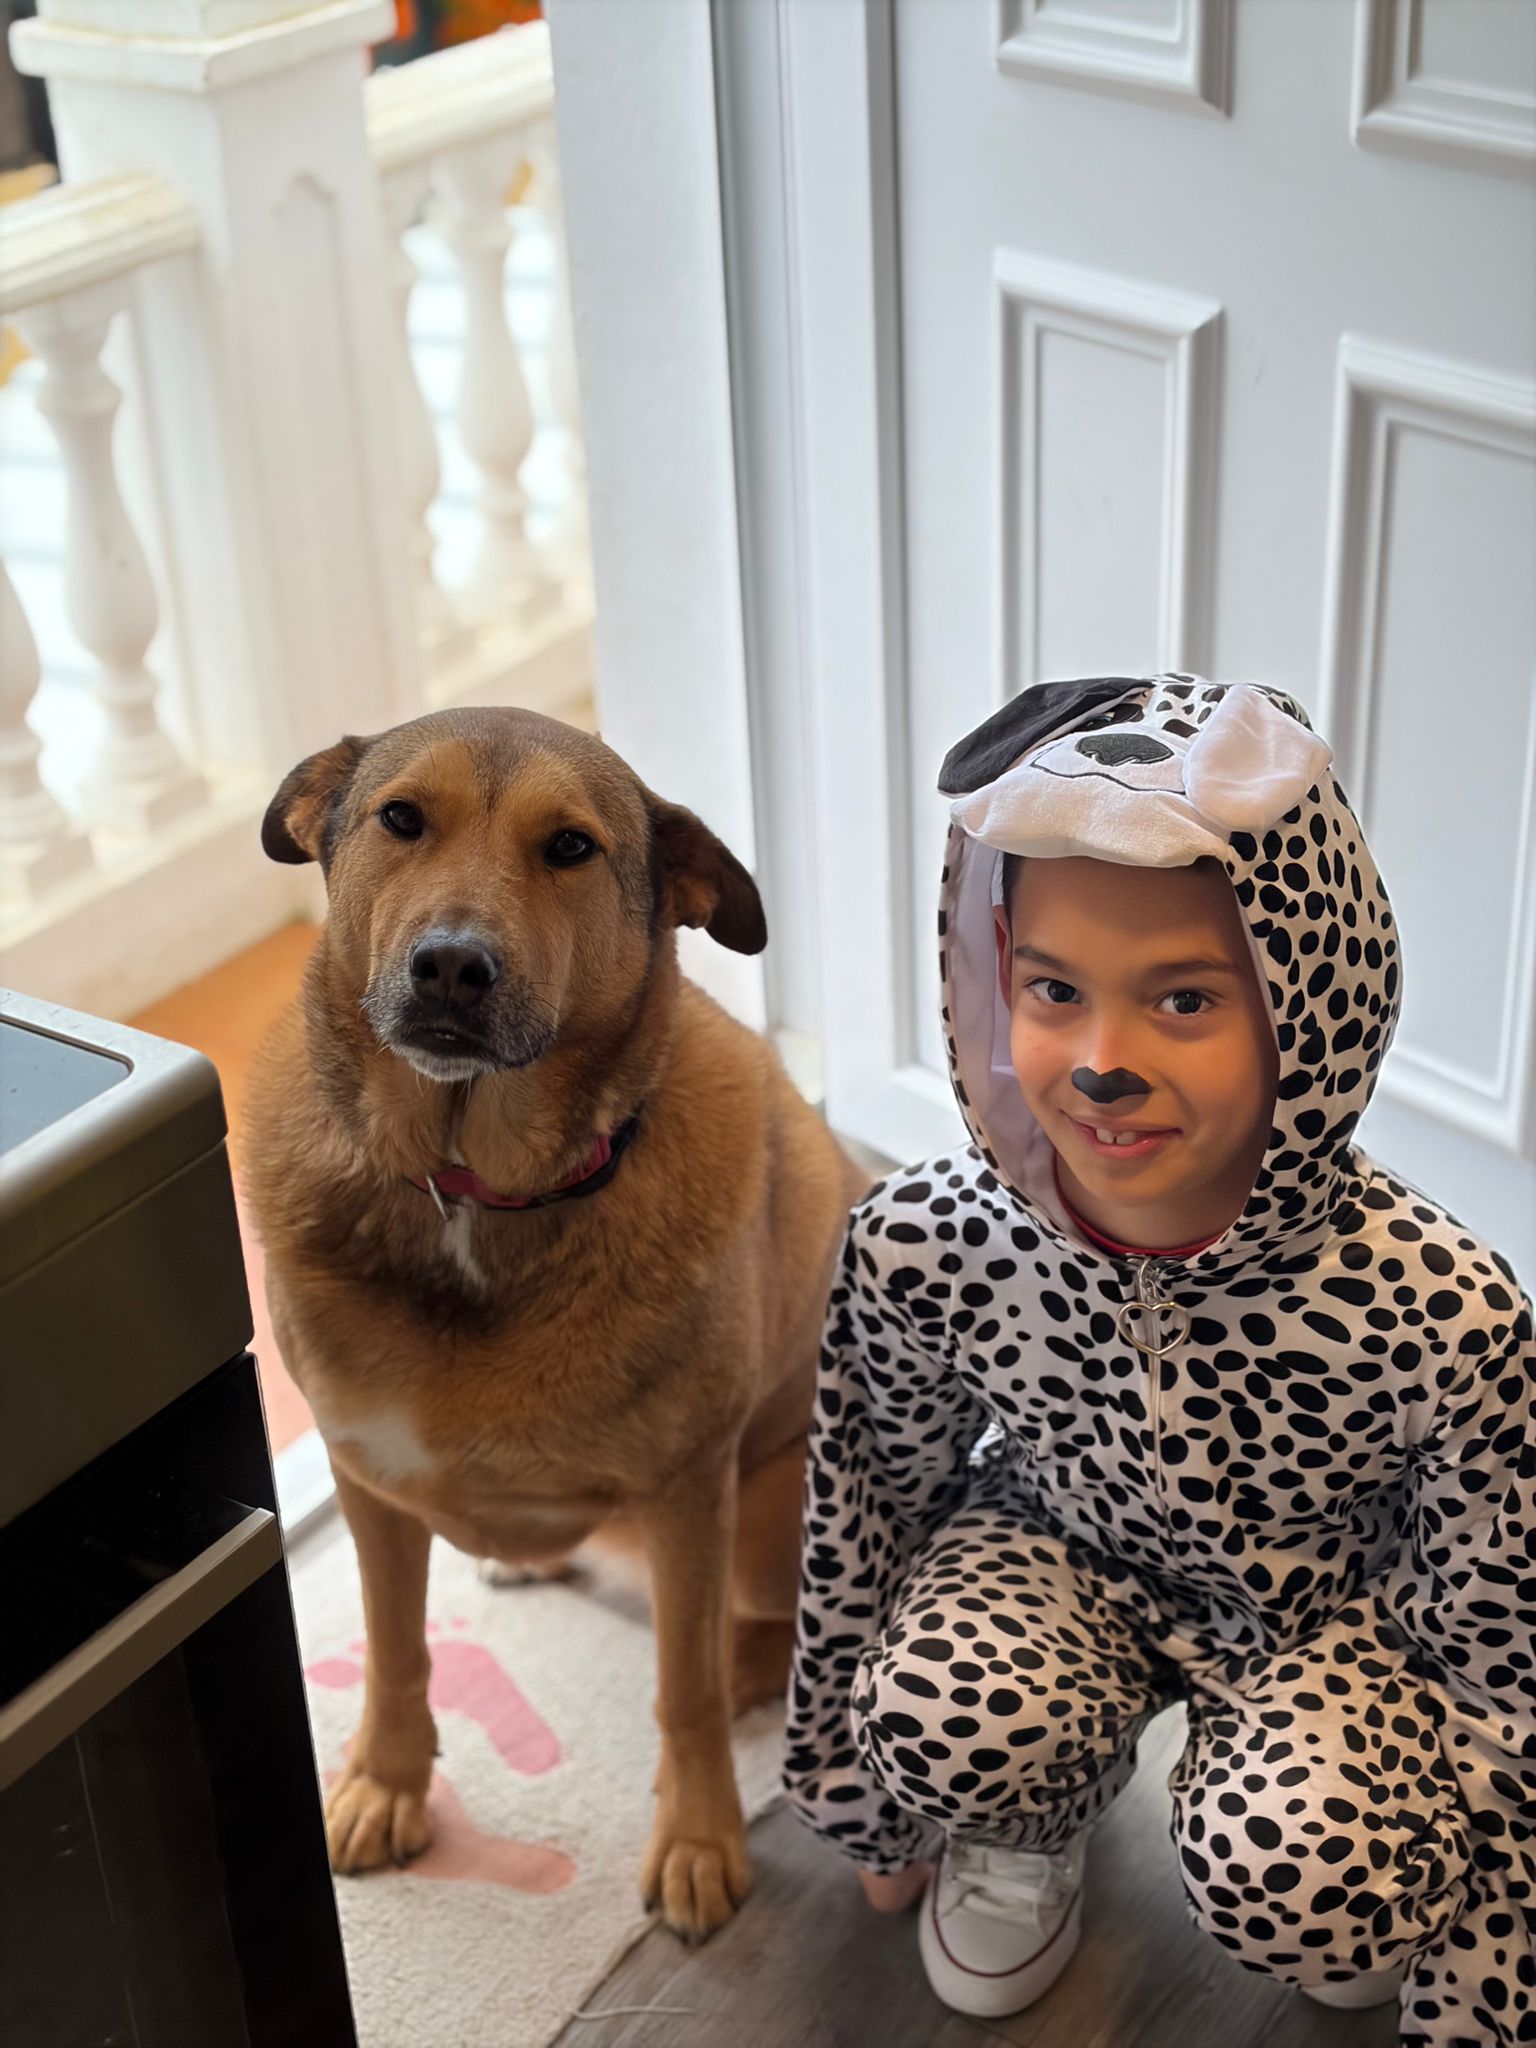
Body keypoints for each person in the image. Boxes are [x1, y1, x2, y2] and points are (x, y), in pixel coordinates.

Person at [783, 674, 1534, 2045]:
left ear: (1310, 1012)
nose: (1103, 1064)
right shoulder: (923, 1242)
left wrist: (1474, 1941)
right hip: (1056, 1549)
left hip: (1324, 1615)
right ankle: (1017, 1823)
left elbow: (1503, 1649)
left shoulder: (1446, 1311)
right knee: (943, 1707)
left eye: (1183, 1001)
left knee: (1326, 1878)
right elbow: (866, 1505)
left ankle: (1357, 1860)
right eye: (1053, 991)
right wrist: (861, 1790)